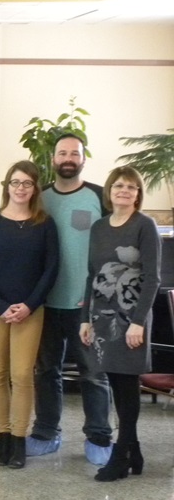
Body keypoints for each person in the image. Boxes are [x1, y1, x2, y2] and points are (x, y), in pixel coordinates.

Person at [29, 135, 114, 463]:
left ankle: (99, 437)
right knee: (45, 370)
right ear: (53, 159)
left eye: (74, 153)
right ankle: (46, 432)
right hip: (46, 303)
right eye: (62, 153)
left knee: (93, 373)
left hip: (87, 306)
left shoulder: (99, 197)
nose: (68, 158)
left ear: (83, 159)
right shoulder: (40, 198)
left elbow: (111, 248)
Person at [0, 161, 59, 469]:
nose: (20, 188)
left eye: (27, 183)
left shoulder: (44, 223)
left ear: (35, 189)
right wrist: (0, 305)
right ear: (7, 185)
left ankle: (20, 440)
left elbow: (51, 268)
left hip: (29, 309)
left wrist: (29, 305)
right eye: (15, 182)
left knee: (21, 375)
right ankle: (5, 437)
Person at [80, 166, 161, 482]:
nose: (124, 191)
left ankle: (120, 456)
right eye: (118, 186)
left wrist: (138, 322)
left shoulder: (144, 225)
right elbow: (92, 274)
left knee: (127, 384)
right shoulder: (99, 227)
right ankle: (134, 451)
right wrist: (85, 319)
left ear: (138, 194)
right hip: (103, 317)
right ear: (109, 191)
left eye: (131, 187)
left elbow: (153, 277)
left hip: (131, 317)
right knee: (115, 381)